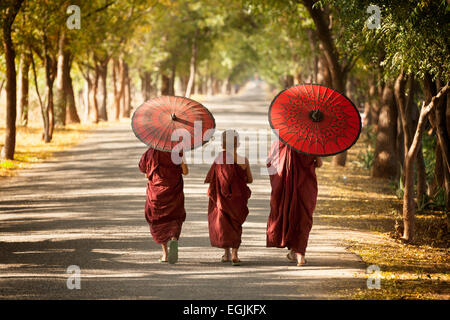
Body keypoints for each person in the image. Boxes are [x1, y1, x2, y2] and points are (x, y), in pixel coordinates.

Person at [266, 140, 322, 266]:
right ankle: (300, 255)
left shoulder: (280, 142)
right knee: (303, 217)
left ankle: (294, 251)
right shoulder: (312, 142)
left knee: (288, 213)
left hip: (284, 186)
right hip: (305, 186)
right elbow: (319, 163)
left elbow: (270, 162)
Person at [204, 130, 253, 266]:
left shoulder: (220, 159)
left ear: (222, 145)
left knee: (224, 222)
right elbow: (250, 179)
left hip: (222, 198)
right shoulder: (244, 160)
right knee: (236, 224)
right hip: (238, 198)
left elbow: (213, 179)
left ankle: (226, 254)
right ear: (238, 144)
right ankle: (234, 254)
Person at [139, 148, 188, 264]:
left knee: (158, 220)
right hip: (174, 191)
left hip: (156, 192)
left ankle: (165, 254)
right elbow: (185, 171)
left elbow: (146, 174)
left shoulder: (149, 153)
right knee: (174, 217)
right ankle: (174, 239)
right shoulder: (177, 152)